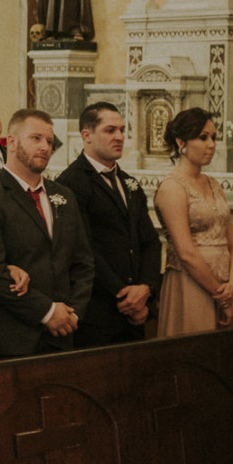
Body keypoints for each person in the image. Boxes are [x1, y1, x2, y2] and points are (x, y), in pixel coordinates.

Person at [0, 109, 94, 358]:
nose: (45, 147)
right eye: (35, 138)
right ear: (11, 142)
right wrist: (46, 312)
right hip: (12, 338)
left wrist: (72, 313)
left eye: (49, 141)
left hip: (63, 333)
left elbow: (84, 263)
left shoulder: (64, 196)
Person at [57, 103, 162, 346]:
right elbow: (83, 248)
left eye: (122, 130)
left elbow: (150, 242)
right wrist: (124, 295)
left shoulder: (129, 183)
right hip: (98, 309)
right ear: (87, 135)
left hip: (135, 309)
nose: (119, 137)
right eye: (110, 130)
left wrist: (146, 288)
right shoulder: (71, 183)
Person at [154, 108, 233, 335]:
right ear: (181, 142)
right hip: (190, 285)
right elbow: (186, 253)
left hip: (222, 288)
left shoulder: (214, 184)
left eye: (213, 137)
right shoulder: (172, 187)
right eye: (203, 138)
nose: (211, 144)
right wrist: (223, 298)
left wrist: (231, 286)